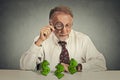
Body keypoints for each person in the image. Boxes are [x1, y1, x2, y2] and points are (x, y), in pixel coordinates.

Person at [20, 6, 107, 72]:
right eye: (59, 25)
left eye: (67, 25)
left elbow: (101, 64)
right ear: (51, 24)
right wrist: (39, 41)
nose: (64, 31)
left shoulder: (83, 39)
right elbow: (25, 67)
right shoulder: (42, 40)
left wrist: (77, 67)